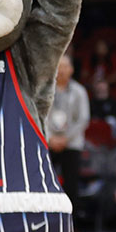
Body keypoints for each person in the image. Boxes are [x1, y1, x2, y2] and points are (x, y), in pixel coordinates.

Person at [46, 54, 90, 206]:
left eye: (65, 66)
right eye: (59, 66)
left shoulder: (79, 91)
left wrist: (66, 139)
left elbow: (83, 119)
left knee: (72, 184)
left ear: (71, 69)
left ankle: (72, 223)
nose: (62, 70)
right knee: (43, 180)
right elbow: (39, 115)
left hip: (71, 144)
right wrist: (50, 137)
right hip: (49, 143)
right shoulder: (44, 89)